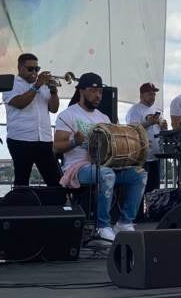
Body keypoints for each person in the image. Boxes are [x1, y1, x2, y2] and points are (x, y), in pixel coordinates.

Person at [54, 73, 147, 242]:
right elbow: (56, 146)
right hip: (78, 168)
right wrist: (74, 142)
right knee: (106, 174)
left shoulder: (104, 118)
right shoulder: (68, 115)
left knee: (139, 174)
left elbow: (113, 145)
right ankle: (102, 226)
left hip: (104, 165)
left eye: (100, 92)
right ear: (81, 91)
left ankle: (124, 222)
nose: (98, 95)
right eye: (93, 91)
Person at [2, 53, 62, 186]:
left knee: (55, 181)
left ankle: (55, 200)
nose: (34, 72)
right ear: (19, 67)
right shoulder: (11, 84)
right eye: (30, 69)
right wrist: (37, 85)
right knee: (22, 181)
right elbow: (20, 103)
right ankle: (20, 200)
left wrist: (53, 92)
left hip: (44, 139)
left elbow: (53, 109)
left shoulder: (43, 85)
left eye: (37, 69)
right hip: (21, 139)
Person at [125, 82, 167, 194]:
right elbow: (131, 130)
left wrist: (164, 127)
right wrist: (149, 123)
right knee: (141, 190)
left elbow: (159, 131)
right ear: (141, 95)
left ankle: (151, 206)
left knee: (154, 190)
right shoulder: (135, 110)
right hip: (141, 158)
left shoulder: (157, 110)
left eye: (154, 94)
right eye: (149, 94)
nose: (152, 96)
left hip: (156, 156)